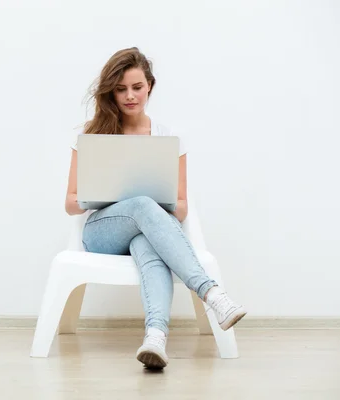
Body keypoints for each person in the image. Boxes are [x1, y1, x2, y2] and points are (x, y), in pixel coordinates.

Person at [65, 47, 246, 370]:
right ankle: (213, 294)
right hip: (102, 232)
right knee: (143, 206)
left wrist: (150, 205)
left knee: (147, 242)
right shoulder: (90, 134)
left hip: (150, 229)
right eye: (120, 89)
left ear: (150, 85)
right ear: (111, 91)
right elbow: (70, 203)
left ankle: (155, 337)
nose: (129, 96)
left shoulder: (169, 137)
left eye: (137, 87)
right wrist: (105, 193)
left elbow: (180, 208)